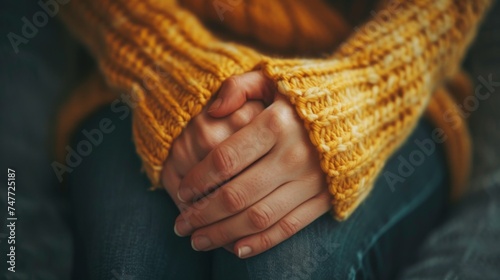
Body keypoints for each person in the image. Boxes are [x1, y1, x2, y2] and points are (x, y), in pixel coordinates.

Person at [56, 0, 492, 279]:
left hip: (389, 84)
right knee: (128, 266)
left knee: (282, 269)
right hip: (141, 81)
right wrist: (162, 58)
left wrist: (368, 86)